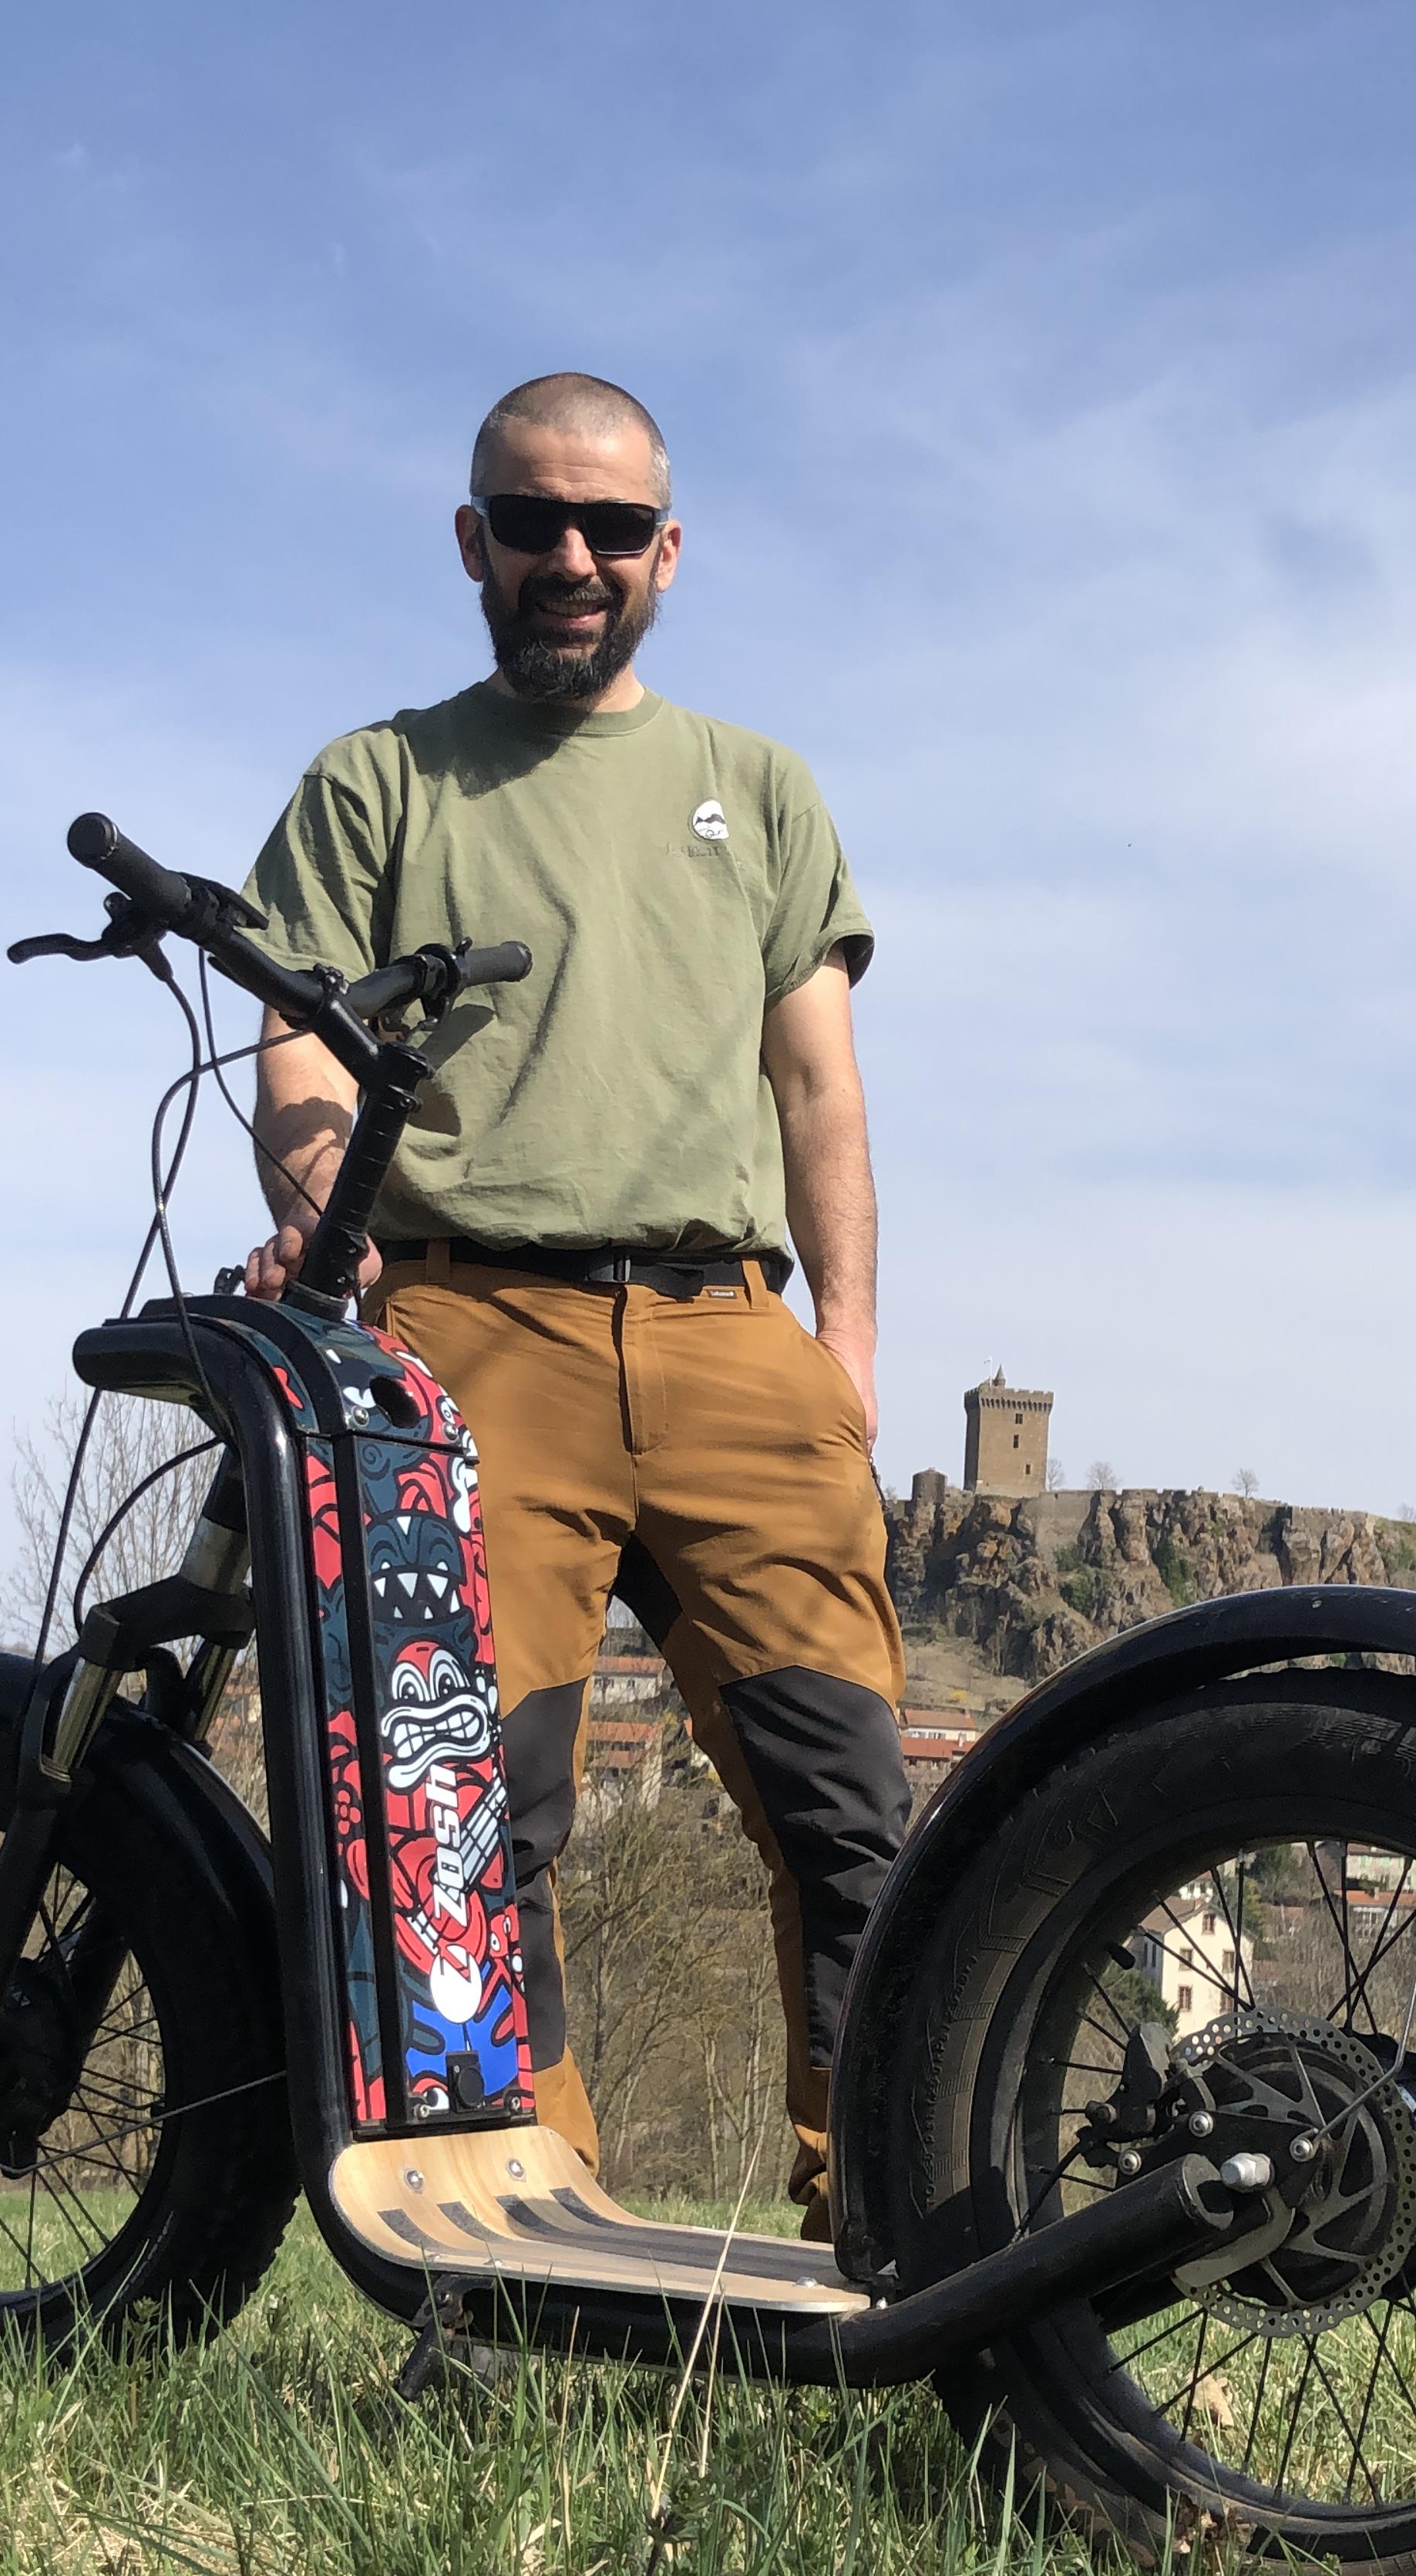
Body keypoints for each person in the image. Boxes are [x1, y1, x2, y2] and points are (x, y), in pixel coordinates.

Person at [237, 370, 910, 2235]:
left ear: (669, 553)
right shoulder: (374, 783)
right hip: (465, 1339)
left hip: (730, 1337)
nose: (572, 558)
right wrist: (326, 1214)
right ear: (473, 540)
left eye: (614, 529)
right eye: (534, 521)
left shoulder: (757, 788)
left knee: (855, 1821)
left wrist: (842, 1352)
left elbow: (817, 1084)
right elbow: (297, 1042)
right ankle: (507, 2254)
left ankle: (894, 2225)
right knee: (470, 1830)